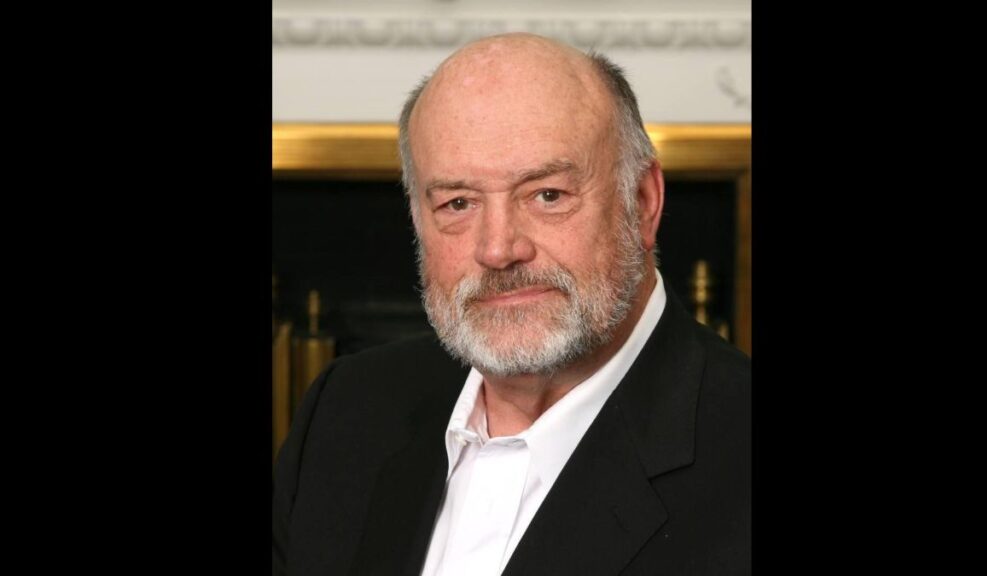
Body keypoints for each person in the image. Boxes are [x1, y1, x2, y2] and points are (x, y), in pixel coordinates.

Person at [273, 33, 750, 576]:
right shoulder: (346, 410)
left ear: (643, 202)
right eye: (458, 202)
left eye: (547, 195)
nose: (499, 249)